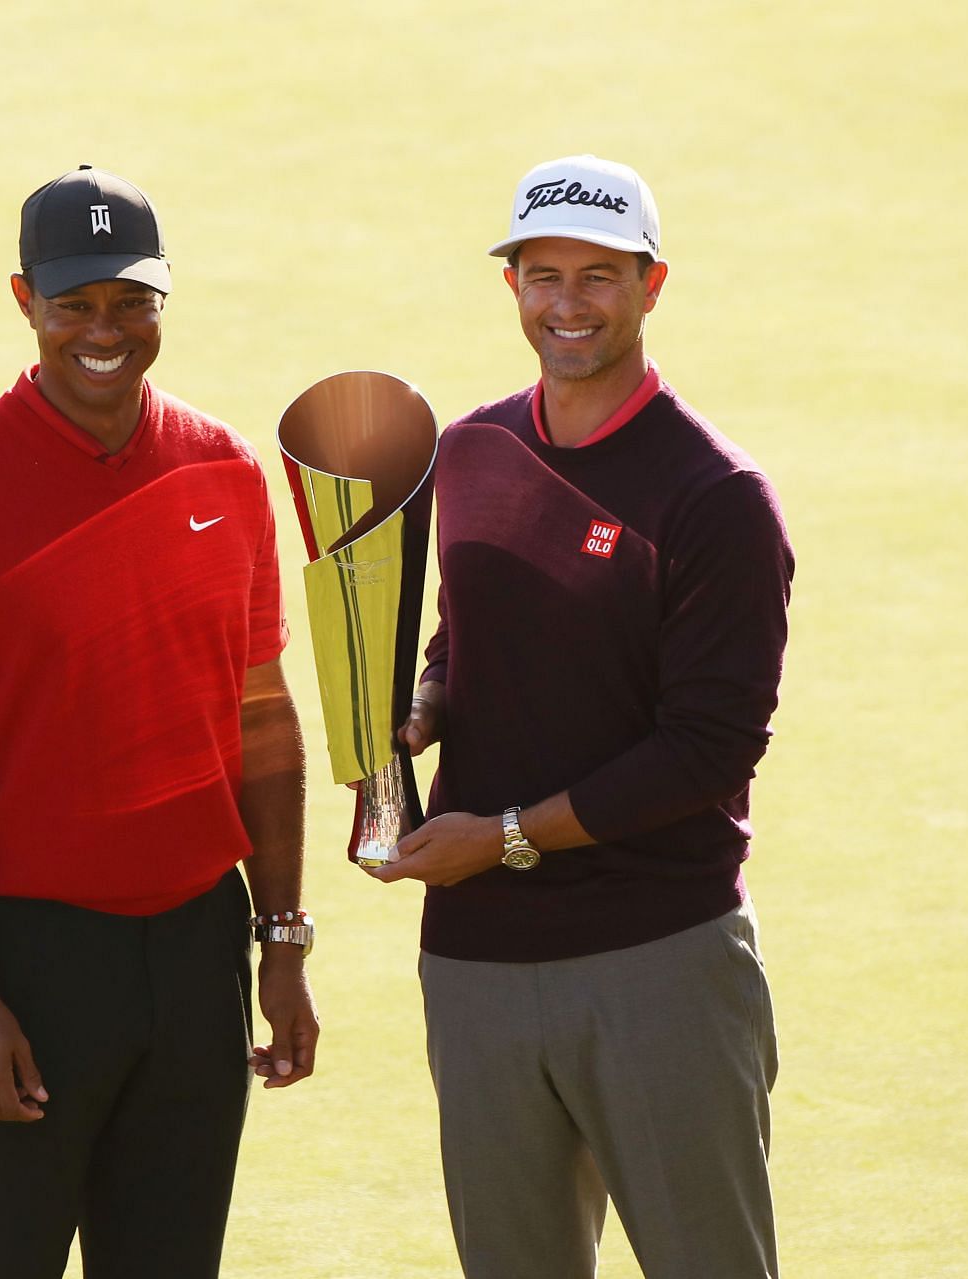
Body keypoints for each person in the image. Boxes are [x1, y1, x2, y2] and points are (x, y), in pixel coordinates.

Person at [0, 165, 319, 1279]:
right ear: (26, 301)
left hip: (199, 946)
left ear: (163, 300)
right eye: (75, 304)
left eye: (131, 301)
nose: (104, 330)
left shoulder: (225, 469)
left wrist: (281, 940)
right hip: (31, 958)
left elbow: (261, 718)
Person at [369, 154, 794, 1278]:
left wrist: (502, 836)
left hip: (658, 956)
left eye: (599, 276)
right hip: (477, 965)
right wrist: (418, 707)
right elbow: (466, 631)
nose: (567, 304)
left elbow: (710, 746)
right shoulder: (468, 451)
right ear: (510, 284)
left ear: (653, 285)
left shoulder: (716, 496)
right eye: (542, 273)